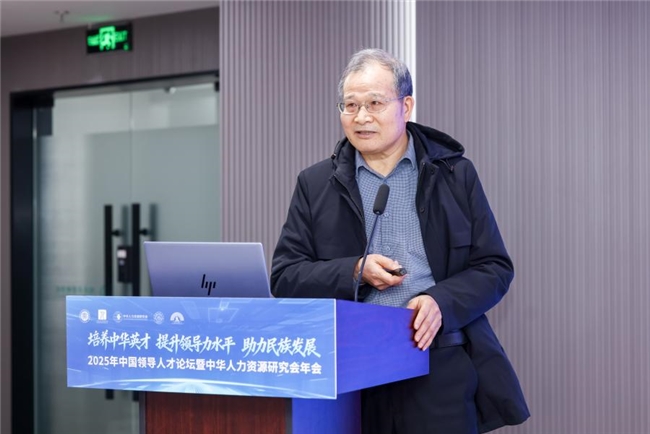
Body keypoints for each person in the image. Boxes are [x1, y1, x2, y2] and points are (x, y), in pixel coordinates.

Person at [271, 48, 529, 434]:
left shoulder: (453, 174)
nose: (361, 117)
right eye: (350, 105)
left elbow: (494, 267)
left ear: (406, 106)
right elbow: (285, 277)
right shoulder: (316, 183)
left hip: (437, 362)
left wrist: (440, 302)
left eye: (375, 103)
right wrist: (354, 271)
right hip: (351, 369)